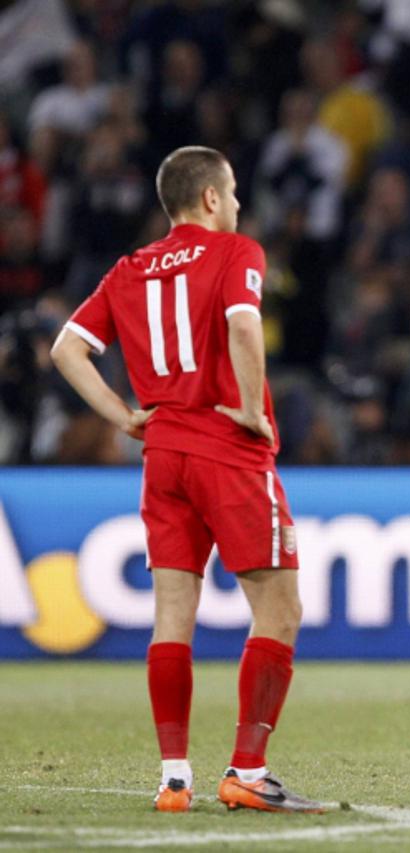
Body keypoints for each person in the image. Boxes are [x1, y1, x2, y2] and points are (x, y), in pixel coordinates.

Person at [49, 146, 323, 814]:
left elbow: (66, 349)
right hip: (226, 448)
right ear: (207, 198)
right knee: (281, 610)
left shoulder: (130, 267)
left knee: (172, 615)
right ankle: (248, 772)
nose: (235, 204)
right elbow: (243, 325)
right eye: (230, 193)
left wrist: (125, 417)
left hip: (163, 455)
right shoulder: (236, 253)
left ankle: (175, 777)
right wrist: (255, 409)